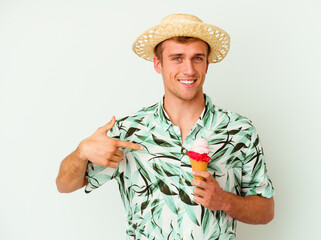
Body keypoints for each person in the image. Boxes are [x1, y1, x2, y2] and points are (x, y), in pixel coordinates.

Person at [56, 13, 275, 239]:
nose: (189, 70)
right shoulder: (129, 131)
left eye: (197, 58)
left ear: (207, 64)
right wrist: (81, 153)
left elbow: (266, 211)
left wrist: (224, 200)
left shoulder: (240, 130)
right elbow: (64, 184)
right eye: (177, 58)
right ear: (158, 64)